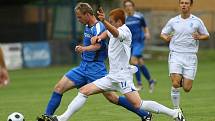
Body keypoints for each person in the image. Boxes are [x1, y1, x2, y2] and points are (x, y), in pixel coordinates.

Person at [46, 7, 185, 121]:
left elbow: (114, 31)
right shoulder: (112, 29)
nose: (110, 23)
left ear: (119, 21)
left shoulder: (125, 31)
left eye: (112, 21)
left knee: (138, 104)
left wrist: (104, 21)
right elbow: (108, 32)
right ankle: (62, 118)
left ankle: (174, 113)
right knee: (84, 91)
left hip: (122, 77)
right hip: (112, 76)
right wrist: (99, 37)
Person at [37, 2, 152, 121]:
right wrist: (84, 48)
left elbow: (99, 46)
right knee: (59, 88)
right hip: (83, 67)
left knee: (112, 98)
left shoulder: (99, 27)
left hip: (96, 68)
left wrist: (83, 48)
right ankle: (47, 116)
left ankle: (144, 114)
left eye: (79, 17)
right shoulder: (87, 26)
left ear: (87, 14)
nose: (78, 19)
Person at [160, 0, 209, 110]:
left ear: (190, 5)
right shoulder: (173, 21)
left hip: (190, 56)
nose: (184, 5)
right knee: (176, 83)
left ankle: (180, 77)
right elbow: (163, 33)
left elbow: (206, 35)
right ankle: (176, 109)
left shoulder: (197, 21)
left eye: (186, 3)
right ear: (179, 4)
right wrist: (166, 38)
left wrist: (199, 37)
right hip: (176, 55)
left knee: (187, 88)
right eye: (182, 2)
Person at [123, 0, 156, 92]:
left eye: (130, 5)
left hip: (139, 42)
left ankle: (139, 84)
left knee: (133, 60)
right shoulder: (124, 18)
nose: (128, 7)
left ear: (133, 7)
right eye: (126, 6)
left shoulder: (139, 16)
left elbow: (145, 26)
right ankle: (151, 81)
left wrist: (147, 33)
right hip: (129, 44)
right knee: (140, 63)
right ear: (124, 8)